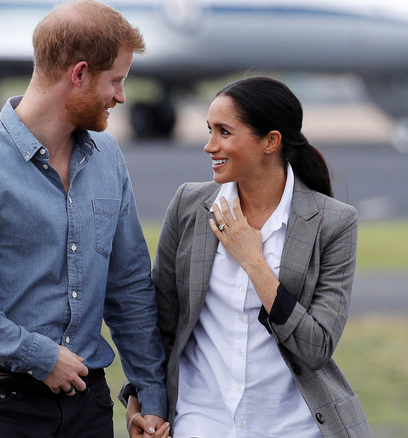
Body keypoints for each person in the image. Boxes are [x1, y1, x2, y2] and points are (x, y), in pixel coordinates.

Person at [0, 1, 169, 437]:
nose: (121, 97)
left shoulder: (108, 158)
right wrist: (39, 355)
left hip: (89, 407)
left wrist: (150, 394)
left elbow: (128, 288)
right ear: (80, 73)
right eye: (116, 81)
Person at [123, 77, 371, 437]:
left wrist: (253, 261)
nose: (209, 146)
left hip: (292, 428)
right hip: (200, 422)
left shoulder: (333, 222)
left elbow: (317, 347)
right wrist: (142, 403)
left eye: (224, 132)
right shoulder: (189, 206)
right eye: (210, 130)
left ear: (271, 141)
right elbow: (161, 323)